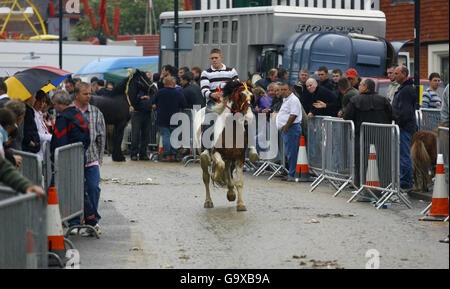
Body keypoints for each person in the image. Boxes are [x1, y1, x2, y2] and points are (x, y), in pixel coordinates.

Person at [343, 78, 396, 198]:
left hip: (362, 137)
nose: (359, 87)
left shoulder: (355, 100)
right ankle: (384, 187)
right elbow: (392, 115)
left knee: (361, 162)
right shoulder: (383, 100)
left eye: (361, 85)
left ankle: (362, 188)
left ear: (366, 87)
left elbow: (347, 117)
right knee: (383, 163)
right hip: (382, 136)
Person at [72, 82, 106, 237]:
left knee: (93, 187)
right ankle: (74, 221)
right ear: (76, 95)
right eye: (85, 94)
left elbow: (101, 136)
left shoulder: (96, 112)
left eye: (90, 93)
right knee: (73, 190)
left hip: (91, 157)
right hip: (72, 158)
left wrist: (99, 158)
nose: (89, 96)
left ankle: (92, 220)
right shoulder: (70, 112)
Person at [392, 65, 417, 190]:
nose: (394, 76)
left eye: (397, 73)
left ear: (404, 74)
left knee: (405, 155)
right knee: (403, 155)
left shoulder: (406, 90)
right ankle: (405, 179)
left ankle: (406, 181)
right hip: (404, 127)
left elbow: (405, 112)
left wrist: (398, 124)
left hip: (405, 128)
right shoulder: (404, 88)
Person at [152, 76, 187, 162]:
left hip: (162, 118)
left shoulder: (160, 92)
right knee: (174, 137)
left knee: (165, 136)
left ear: (165, 83)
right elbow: (184, 104)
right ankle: (174, 155)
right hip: (175, 118)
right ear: (173, 83)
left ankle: (167, 155)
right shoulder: (178, 93)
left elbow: (153, 102)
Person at [276, 82, 303, 182]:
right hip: (287, 129)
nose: (282, 91)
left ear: (290, 90)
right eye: (281, 89)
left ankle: (292, 174)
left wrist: (286, 126)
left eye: (284, 89)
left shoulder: (293, 100)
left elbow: (293, 115)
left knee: (292, 152)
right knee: (288, 152)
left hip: (292, 128)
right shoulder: (286, 99)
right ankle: (290, 172)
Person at [130, 76, 153, 161]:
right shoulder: (135, 89)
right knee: (135, 135)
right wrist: (141, 98)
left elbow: (154, 98)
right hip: (137, 113)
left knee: (146, 135)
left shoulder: (150, 90)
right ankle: (134, 154)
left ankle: (143, 154)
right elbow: (132, 99)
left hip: (147, 113)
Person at [33, 90, 52, 159]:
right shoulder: (33, 114)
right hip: (38, 153)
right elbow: (38, 135)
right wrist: (51, 137)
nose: (41, 104)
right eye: (39, 101)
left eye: (43, 101)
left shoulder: (39, 113)